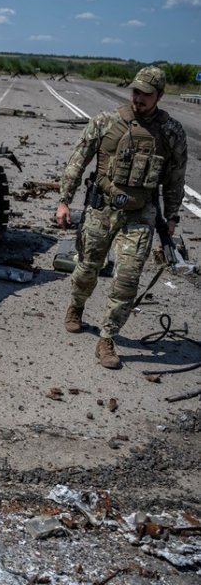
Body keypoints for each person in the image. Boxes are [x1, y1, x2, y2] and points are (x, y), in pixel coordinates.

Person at [55, 66, 187, 369]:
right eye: (135, 91)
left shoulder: (171, 132)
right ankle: (76, 307)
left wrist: (172, 217)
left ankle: (107, 338)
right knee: (88, 268)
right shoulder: (106, 121)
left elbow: (175, 179)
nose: (138, 98)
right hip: (101, 210)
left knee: (127, 281)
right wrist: (64, 201)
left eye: (146, 94)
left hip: (140, 216)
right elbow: (78, 160)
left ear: (160, 96)